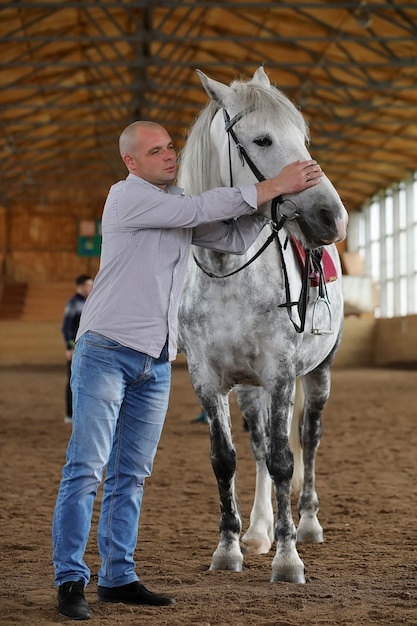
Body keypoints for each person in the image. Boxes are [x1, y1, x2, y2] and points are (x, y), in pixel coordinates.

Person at [52, 120, 323, 621]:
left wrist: (274, 210)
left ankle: (117, 577)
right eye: (155, 151)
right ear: (131, 163)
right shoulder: (128, 197)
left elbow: (233, 238)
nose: (169, 155)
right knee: (87, 468)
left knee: (131, 474)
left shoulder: (173, 206)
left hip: (156, 358)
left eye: (170, 146)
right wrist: (273, 184)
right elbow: (202, 208)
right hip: (106, 351)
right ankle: (71, 578)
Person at [61, 274, 94, 423]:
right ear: (80, 286)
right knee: (73, 380)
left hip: (89, 347)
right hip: (76, 348)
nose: (91, 288)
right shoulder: (73, 303)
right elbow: (67, 327)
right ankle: (70, 413)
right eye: (88, 285)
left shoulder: (90, 302)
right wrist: (69, 347)